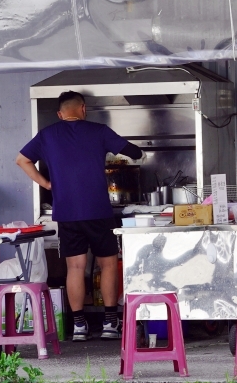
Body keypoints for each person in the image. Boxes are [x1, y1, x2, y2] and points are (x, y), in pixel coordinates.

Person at [16, 90, 143, 341]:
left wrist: (47, 184)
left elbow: (21, 160)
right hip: (98, 211)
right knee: (107, 264)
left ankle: (79, 326)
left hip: (67, 212)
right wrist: (134, 151)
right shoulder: (99, 131)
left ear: (60, 114)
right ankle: (109, 323)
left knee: (75, 267)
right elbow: (134, 153)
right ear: (83, 109)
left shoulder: (47, 135)